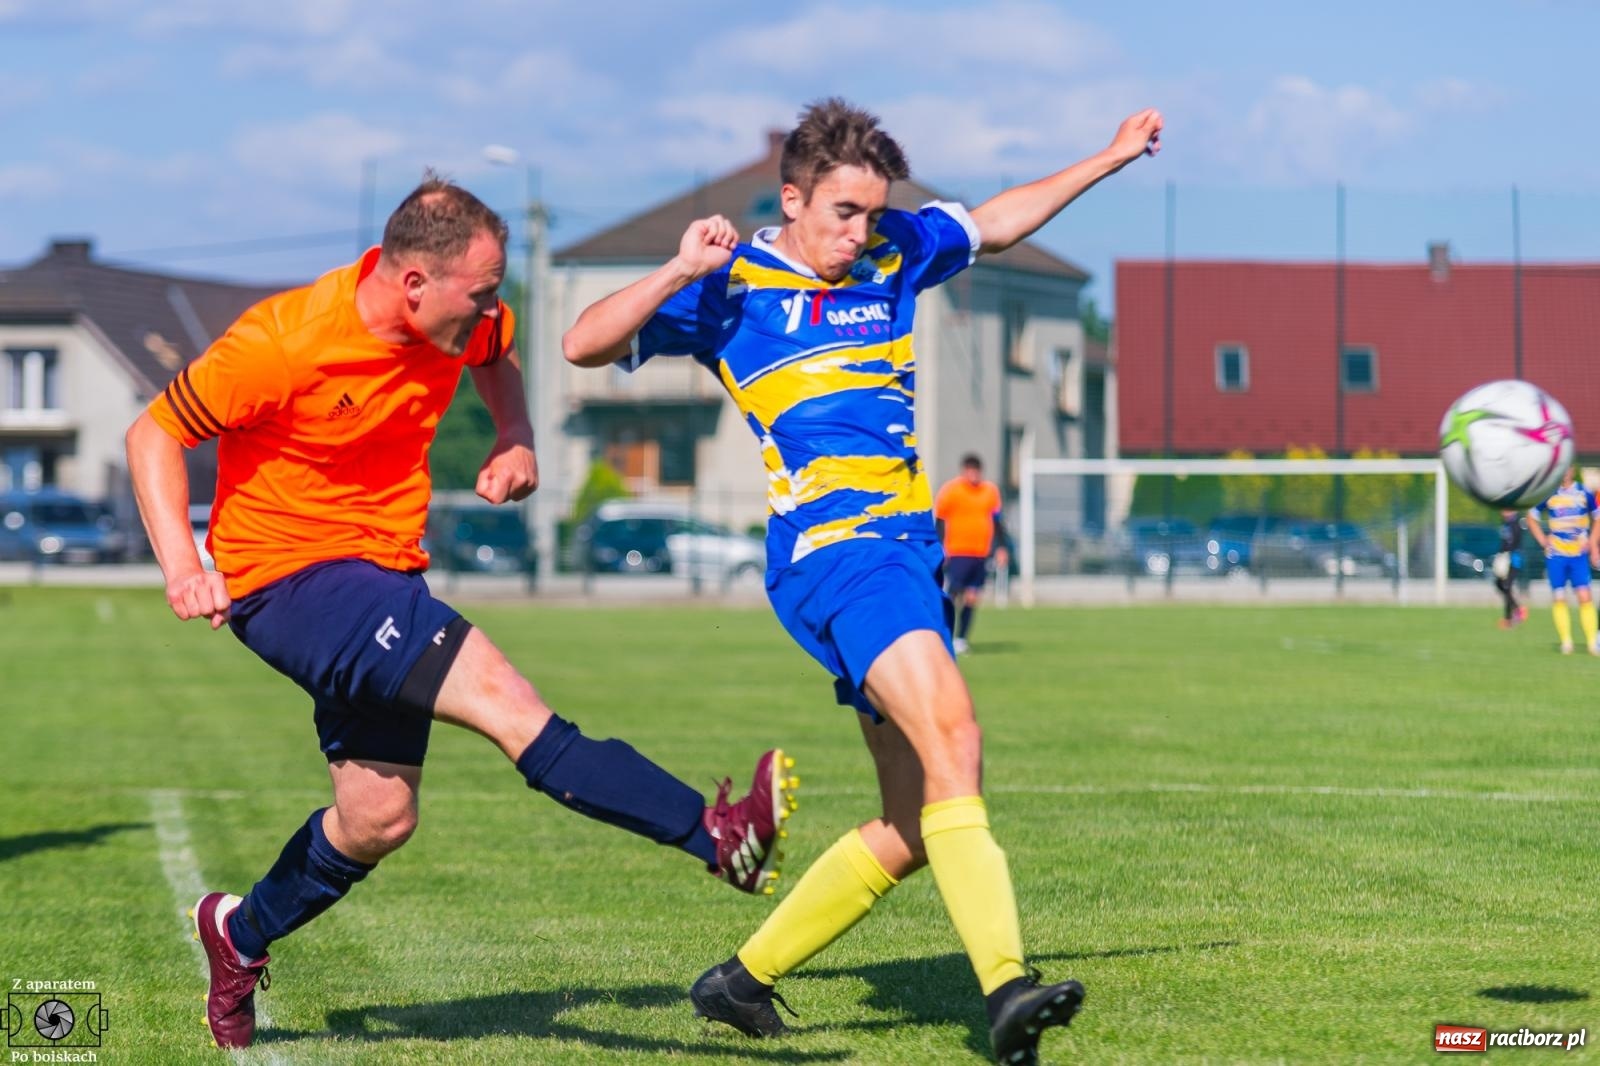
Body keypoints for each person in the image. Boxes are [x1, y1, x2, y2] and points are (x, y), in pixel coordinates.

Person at [124, 174, 797, 1051]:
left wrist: (515, 435)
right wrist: (184, 563)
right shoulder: (282, 342)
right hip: (285, 581)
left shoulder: (468, 319)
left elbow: (497, 357)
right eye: (481, 291)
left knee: (376, 820)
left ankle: (237, 934)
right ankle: (718, 836)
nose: (492, 308)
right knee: (509, 705)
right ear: (414, 284)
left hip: (385, 577)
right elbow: (154, 434)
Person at [562, 98, 1162, 1065]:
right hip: (840, 556)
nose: (860, 231)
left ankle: (740, 982)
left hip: (902, 557)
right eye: (843, 212)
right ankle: (1006, 990)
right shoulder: (731, 287)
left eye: (873, 213)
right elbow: (582, 342)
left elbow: (998, 221)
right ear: (791, 198)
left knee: (914, 821)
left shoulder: (892, 254)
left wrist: (1109, 156)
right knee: (957, 739)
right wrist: (678, 267)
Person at [934, 454, 1008, 654]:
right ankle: (943, 634)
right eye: (970, 471)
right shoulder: (952, 490)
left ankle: (961, 639)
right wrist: (939, 546)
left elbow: (997, 522)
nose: (973, 475)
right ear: (964, 471)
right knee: (954, 593)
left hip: (980, 552)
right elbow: (940, 520)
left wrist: (1001, 547)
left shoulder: (989, 491)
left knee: (972, 596)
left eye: (976, 471)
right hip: (957, 551)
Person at [1526, 467, 1600, 654]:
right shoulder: (1549, 493)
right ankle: (1566, 642)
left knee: (1584, 595)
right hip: (1556, 553)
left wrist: (1593, 544)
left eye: (1566, 468)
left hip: (1578, 553)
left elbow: (1597, 518)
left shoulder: (1584, 492)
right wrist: (1543, 540)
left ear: (1572, 470)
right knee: (1559, 596)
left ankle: (1592, 643)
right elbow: (1531, 517)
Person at [1492, 508, 1527, 629]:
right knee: (1500, 584)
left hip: (1513, 560)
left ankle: (1508, 618)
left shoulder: (1516, 523)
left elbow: (1515, 542)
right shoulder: (1505, 523)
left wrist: (1506, 553)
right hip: (1506, 557)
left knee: (1506, 586)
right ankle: (1517, 608)